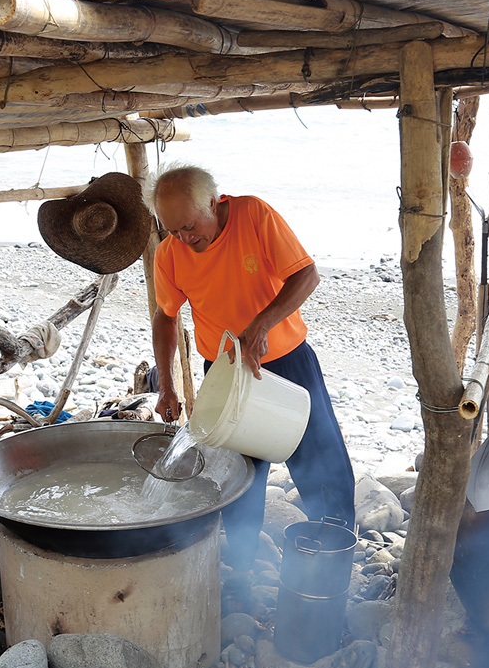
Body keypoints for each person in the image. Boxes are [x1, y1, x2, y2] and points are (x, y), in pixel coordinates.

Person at [144, 164, 356, 583]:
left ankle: (333, 556)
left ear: (213, 201)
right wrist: (166, 386)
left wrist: (261, 324)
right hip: (224, 372)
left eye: (189, 226)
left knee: (321, 462)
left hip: (288, 364)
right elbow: (165, 318)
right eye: (172, 230)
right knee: (240, 476)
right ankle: (241, 571)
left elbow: (306, 275)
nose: (185, 239)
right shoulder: (170, 254)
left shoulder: (254, 216)